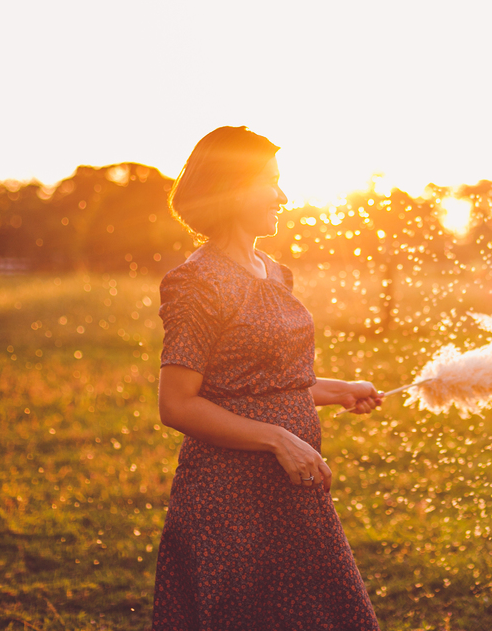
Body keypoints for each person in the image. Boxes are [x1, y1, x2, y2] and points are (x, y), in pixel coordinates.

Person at [152, 126, 383, 631]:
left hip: (293, 494)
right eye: (271, 181)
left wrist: (339, 390)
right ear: (232, 188)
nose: (283, 195)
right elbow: (178, 404)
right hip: (227, 505)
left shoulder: (276, 273)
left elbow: (271, 381)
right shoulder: (197, 284)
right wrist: (279, 438)